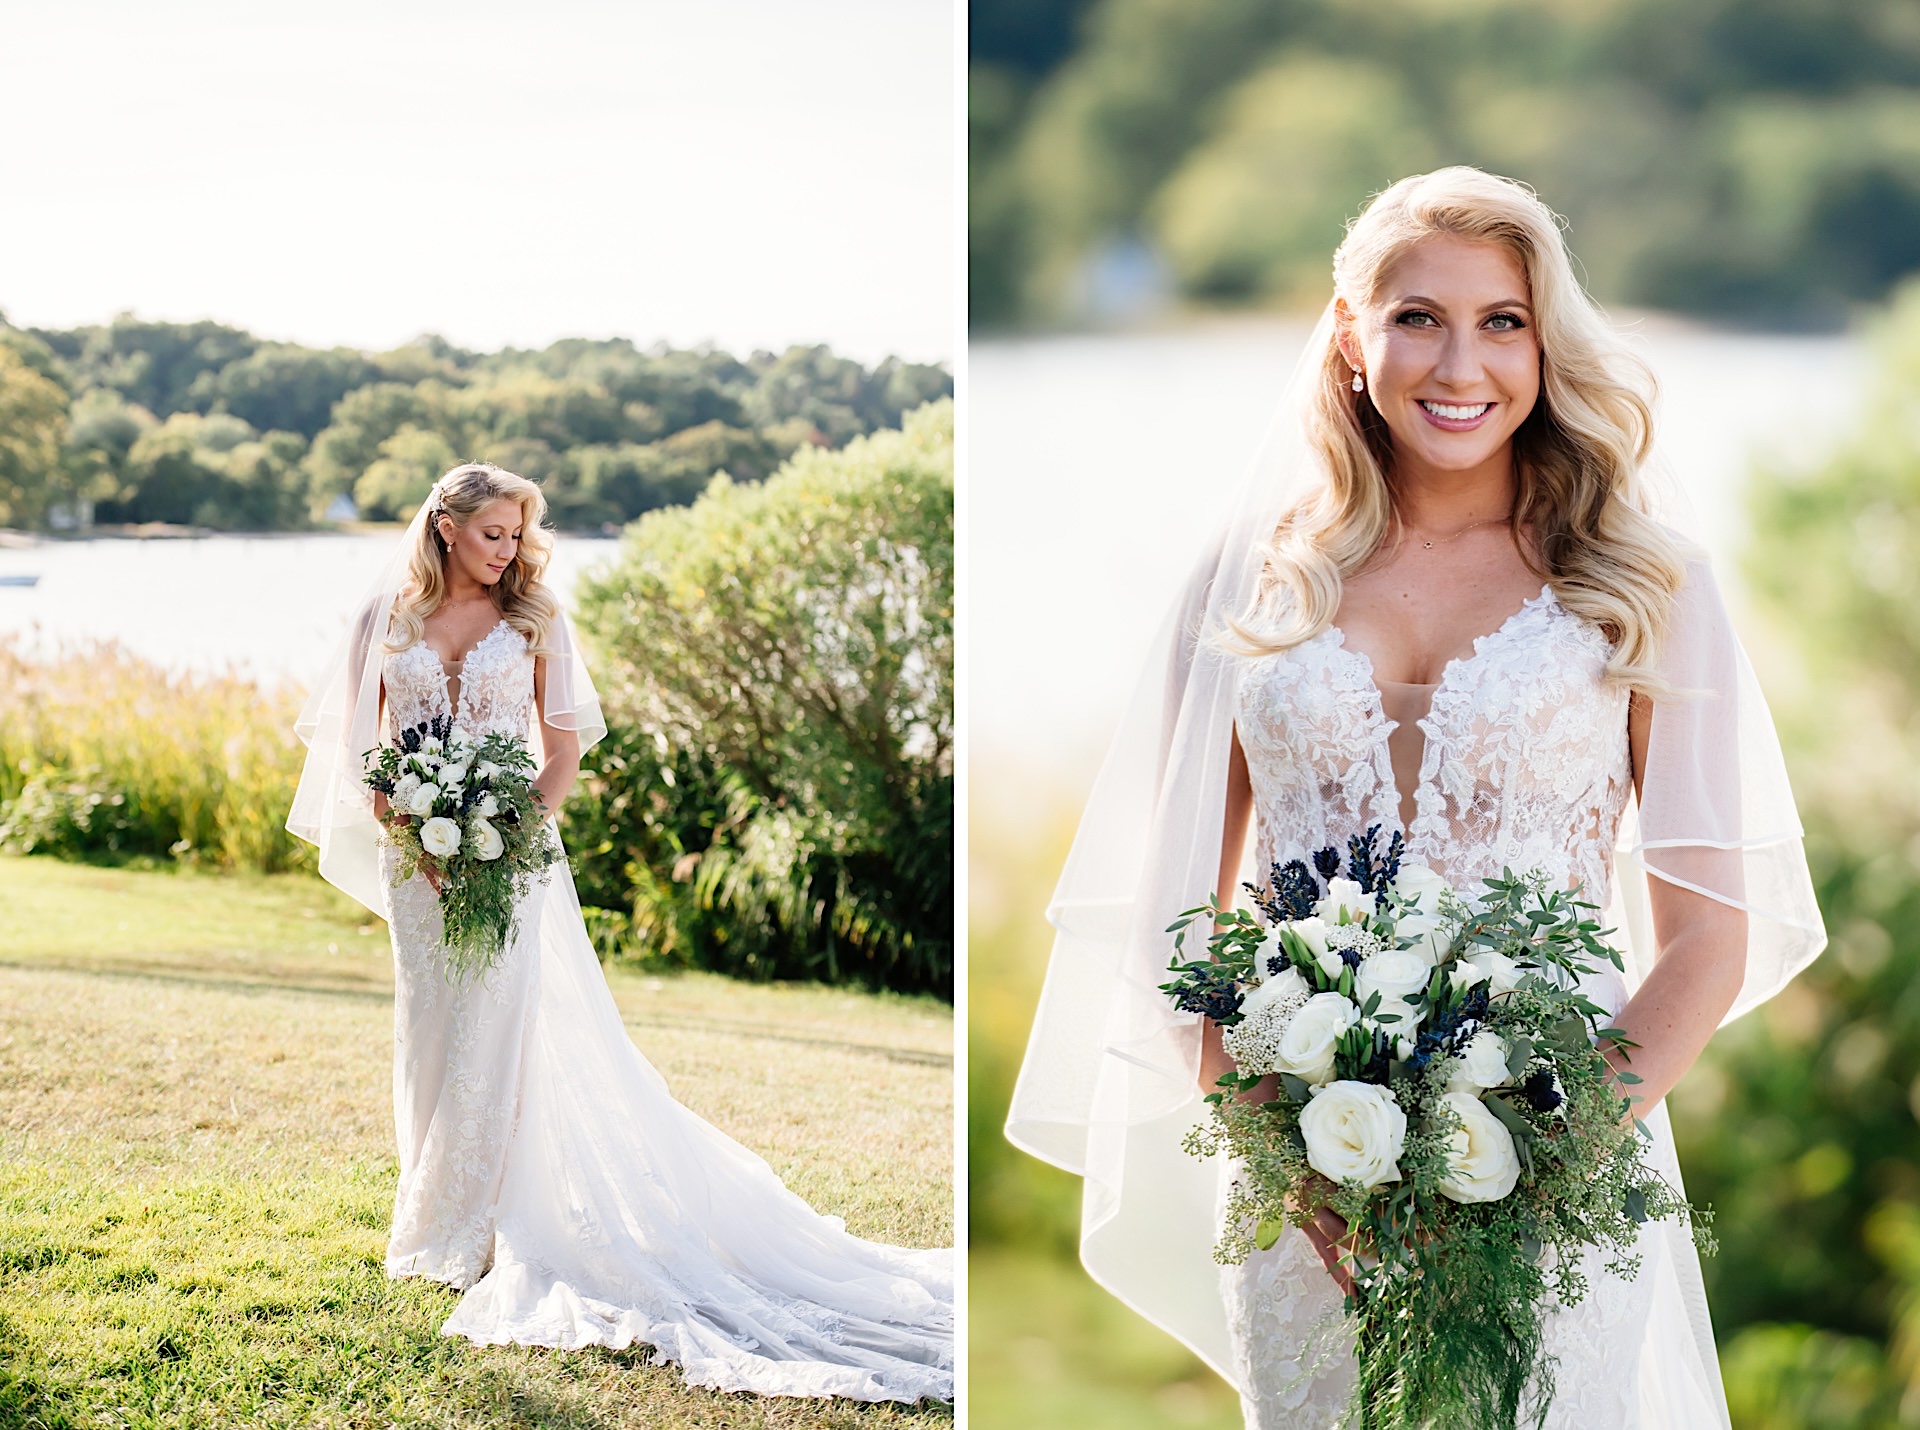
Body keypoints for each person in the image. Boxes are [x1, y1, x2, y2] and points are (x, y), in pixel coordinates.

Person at [1005, 167, 1826, 1428]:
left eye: (1503, 320)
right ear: (1351, 332)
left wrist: (1540, 1165)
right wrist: (1296, 1162)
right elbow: (1176, 921)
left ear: (1545, 343)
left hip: (1560, 1169)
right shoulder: (1253, 581)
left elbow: (1710, 934)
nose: (1461, 364)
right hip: (1306, 1171)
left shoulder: (1639, 581)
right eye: (1417, 318)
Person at [288, 461, 952, 1403]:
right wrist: (409, 826)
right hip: (417, 863)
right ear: (446, 528)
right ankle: (435, 1219)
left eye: (517, 535)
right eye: (492, 534)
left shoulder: (535, 618)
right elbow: (360, 748)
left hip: (512, 854)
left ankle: (481, 1226)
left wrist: (510, 831)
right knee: (430, 1027)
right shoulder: (381, 619)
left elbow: (561, 751)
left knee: (500, 1025)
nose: (508, 550)